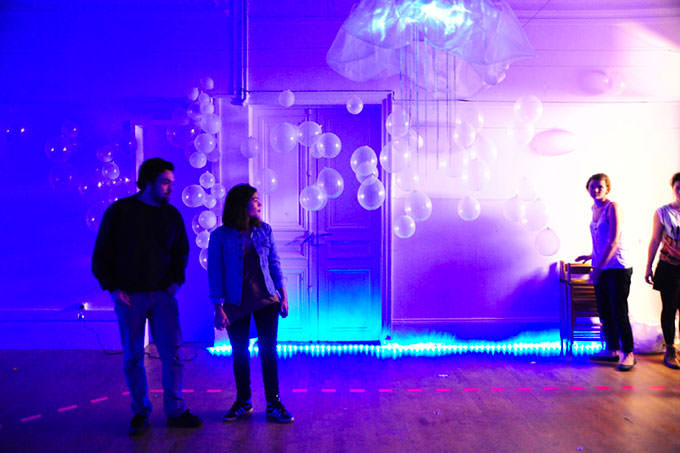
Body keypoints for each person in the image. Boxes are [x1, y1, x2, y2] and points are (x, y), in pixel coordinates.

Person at [92, 158, 202, 436]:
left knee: (172, 354)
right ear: (148, 182)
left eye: (171, 183)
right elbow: (102, 254)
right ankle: (140, 411)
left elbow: (181, 252)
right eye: (165, 182)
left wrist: (175, 283)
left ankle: (176, 410)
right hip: (129, 296)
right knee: (133, 357)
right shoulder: (119, 212)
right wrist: (113, 288)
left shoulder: (171, 215)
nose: (170, 188)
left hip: (163, 296)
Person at [208, 183, 293, 424]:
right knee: (239, 352)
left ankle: (273, 403)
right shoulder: (219, 236)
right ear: (241, 204)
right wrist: (218, 308)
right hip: (235, 302)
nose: (259, 203)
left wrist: (283, 295)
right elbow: (215, 273)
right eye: (254, 200)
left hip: (266, 298)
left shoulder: (265, 230)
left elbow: (274, 263)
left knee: (269, 351)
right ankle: (243, 401)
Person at [576, 173, 636, 371]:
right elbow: (600, 240)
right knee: (604, 310)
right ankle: (612, 350)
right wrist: (591, 256)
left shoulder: (613, 207)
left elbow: (613, 242)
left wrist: (598, 269)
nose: (596, 190)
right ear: (587, 188)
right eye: (592, 186)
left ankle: (628, 353)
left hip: (617, 267)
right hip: (601, 264)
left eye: (600, 187)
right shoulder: (593, 208)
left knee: (619, 311)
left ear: (607, 189)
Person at [645, 172, 680, 369]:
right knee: (669, 309)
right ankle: (670, 349)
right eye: (678, 187)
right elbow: (655, 240)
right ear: (673, 189)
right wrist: (648, 266)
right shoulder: (663, 212)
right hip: (669, 267)